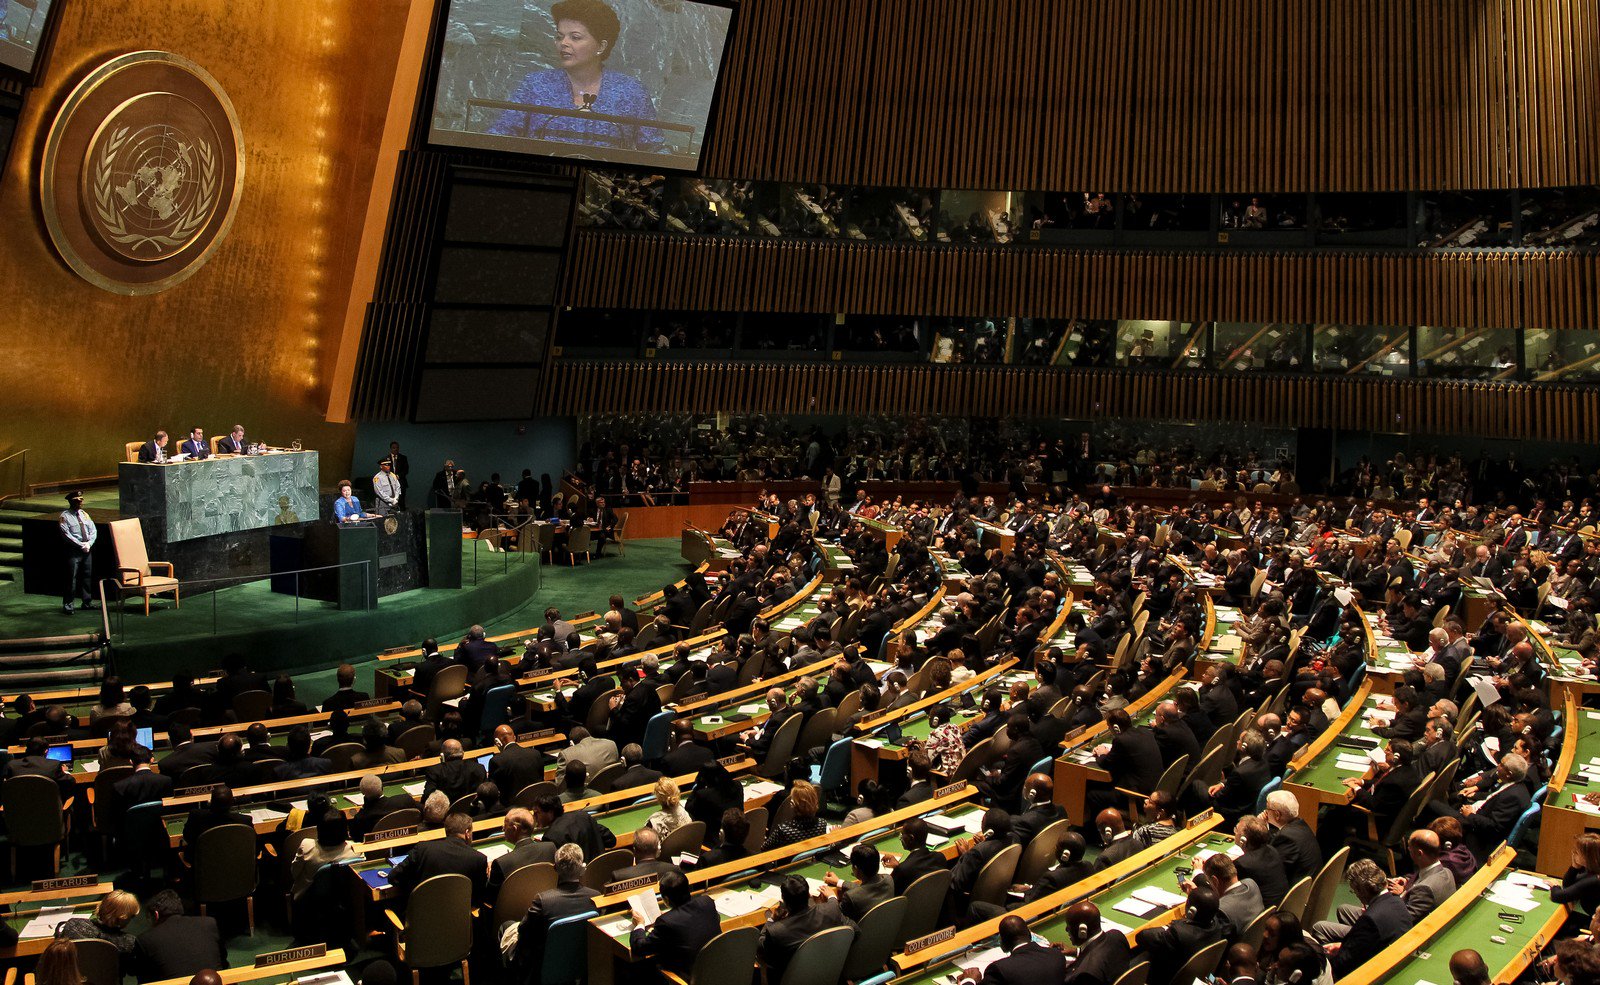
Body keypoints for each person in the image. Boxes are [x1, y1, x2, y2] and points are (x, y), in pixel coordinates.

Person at [486, 0, 663, 154]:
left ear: (600, 46)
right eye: (559, 36)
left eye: (575, 37)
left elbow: (656, 150)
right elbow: (499, 137)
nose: (564, 43)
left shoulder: (631, 92)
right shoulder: (535, 85)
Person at [513, 843, 602, 974]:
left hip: (544, 965)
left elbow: (523, 930)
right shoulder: (596, 897)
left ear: (555, 868)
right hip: (583, 963)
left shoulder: (543, 900)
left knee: (506, 927)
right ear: (583, 868)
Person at [1318, 859, 1412, 977]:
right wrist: (1342, 947)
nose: (1356, 895)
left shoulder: (1369, 920)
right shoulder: (1397, 900)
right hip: (1397, 961)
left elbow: (1343, 964)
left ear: (1361, 891)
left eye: (1354, 891)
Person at [757, 874, 856, 984]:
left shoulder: (777, 931)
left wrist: (771, 920)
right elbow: (834, 906)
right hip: (829, 975)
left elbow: (760, 949)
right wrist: (831, 897)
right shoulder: (831, 909)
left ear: (784, 901)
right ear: (809, 895)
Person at [628, 869, 719, 983]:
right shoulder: (707, 902)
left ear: (666, 899)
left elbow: (640, 948)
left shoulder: (666, 922)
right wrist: (671, 916)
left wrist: (640, 924)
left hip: (689, 978)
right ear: (688, 888)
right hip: (717, 970)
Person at [386, 812, 488, 902]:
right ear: (467, 833)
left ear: (446, 831)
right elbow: (478, 897)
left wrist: (416, 887)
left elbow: (393, 877)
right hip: (459, 919)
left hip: (421, 917)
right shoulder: (479, 859)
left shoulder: (423, 849)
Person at [134, 890, 226, 982]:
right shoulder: (209, 923)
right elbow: (223, 961)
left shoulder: (145, 940)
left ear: (156, 914)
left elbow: (144, 980)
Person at [956, 914, 1065, 984]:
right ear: (1030, 935)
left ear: (1002, 944)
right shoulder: (1057, 956)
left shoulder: (999, 970)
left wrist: (969, 980)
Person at [56, 891, 140, 973]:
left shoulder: (73, 925)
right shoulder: (129, 942)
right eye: (131, 916)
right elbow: (131, 970)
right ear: (123, 918)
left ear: (102, 905)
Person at [290, 811, 361, 898]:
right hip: (346, 899)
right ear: (345, 829)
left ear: (319, 829)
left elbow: (294, 873)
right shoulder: (357, 850)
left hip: (308, 902)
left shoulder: (306, 846)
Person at [1061, 901, 1131, 985]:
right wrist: (1077, 951)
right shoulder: (1117, 936)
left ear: (1082, 931)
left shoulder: (1085, 975)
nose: (1066, 930)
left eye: (1069, 926)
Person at [823, 843, 894, 920]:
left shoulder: (851, 897)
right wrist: (839, 882)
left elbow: (836, 915)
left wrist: (831, 897)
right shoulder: (888, 879)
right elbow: (866, 891)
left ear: (856, 868)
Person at [60, 491, 96, 615]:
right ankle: (68, 605)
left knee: (87, 576)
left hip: (87, 549)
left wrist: (89, 543)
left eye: (81, 500)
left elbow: (93, 530)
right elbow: (66, 535)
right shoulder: (65, 516)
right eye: (77, 500)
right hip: (74, 550)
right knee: (72, 578)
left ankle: (87, 602)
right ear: (71, 501)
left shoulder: (84, 514)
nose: (81, 502)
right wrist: (81, 545)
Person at [424, 739, 487, 803]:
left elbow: (428, 798)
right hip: (474, 811)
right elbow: (485, 794)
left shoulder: (435, 771)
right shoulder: (478, 768)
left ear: (442, 755)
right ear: (463, 753)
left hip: (447, 812)